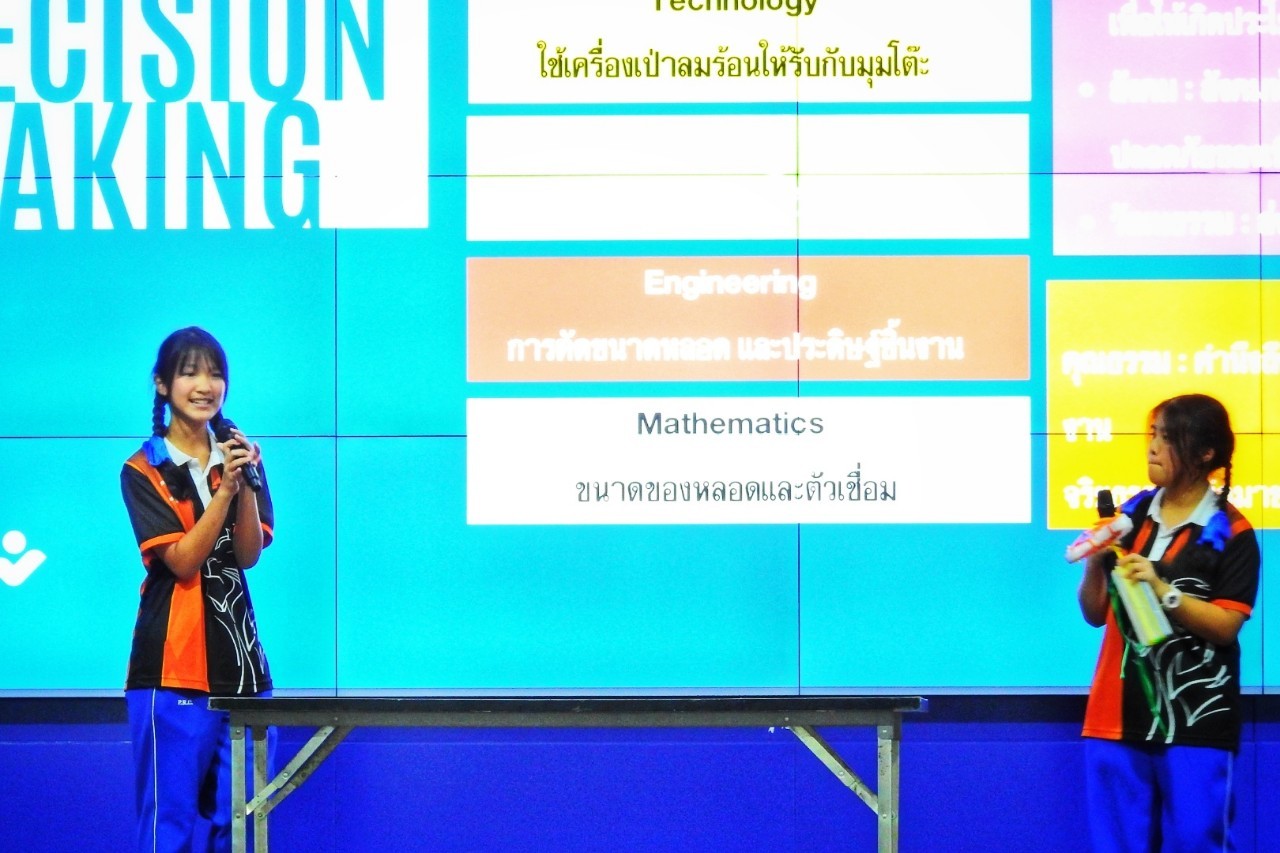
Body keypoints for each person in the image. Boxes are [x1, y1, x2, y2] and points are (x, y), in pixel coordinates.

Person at [1077, 393, 1260, 853]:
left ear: (1206, 453)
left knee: (1197, 841)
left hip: (1197, 718)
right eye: (1153, 434)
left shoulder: (1233, 533)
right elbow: (1095, 613)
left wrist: (1163, 590)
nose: (1153, 447)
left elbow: (1226, 625)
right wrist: (1094, 563)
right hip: (1116, 716)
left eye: (1168, 437)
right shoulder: (1130, 517)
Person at [121, 326, 275, 852]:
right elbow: (183, 561)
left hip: (243, 668)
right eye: (190, 373)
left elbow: (248, 554)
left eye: (215, 374)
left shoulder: (241, 455)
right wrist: (224, 490)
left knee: (244, 823)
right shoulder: (144, 468)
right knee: (171, 824)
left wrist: (244, 484)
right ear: (163, 384)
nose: (205, 385)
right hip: (172, 670)